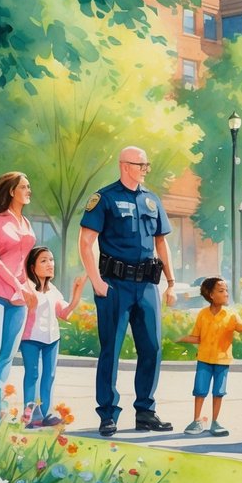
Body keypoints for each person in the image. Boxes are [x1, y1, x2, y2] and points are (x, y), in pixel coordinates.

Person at [79, 146, 177, 437]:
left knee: (153, 348)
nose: (146, 169)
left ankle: (145, 411)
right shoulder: (104, 198)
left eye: (147, 164)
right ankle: (108, 414)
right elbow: (86, 241)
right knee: (111, 349)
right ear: (125, 165)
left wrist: (170, 282)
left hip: (147, 285)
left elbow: (162, 243)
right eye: (141, 164)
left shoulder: (151, 199)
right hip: (115, 284)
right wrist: (96, 281)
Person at [0, 172, 38, 422]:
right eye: (24, 187)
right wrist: (17, 285)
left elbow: (24, 262)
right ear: (11, 191)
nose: (29, 190)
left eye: (29, 186)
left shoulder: (25, 222)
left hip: (19, 296)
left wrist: (29, 286)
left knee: (8, 355)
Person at [177, 277, 242, 437]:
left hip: (222, 361)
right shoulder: (203, 314)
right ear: (211, 295)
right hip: (203, 359)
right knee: (200, 391)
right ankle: (197, 420)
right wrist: (179, 338)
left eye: (226, 290)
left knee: (218, 392)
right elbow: (196, 337)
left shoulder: (231, 315)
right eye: (221, 291)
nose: (226, 294)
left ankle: (215, 422)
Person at [20, 247, 86, 428]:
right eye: (43, 261)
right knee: (33, 375)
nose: (50, 264)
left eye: (51, 260)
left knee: (48, 376)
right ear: (32, 267)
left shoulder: (53, 290)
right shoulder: (27, 288)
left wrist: (76, 295)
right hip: (31, 338)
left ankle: (45, 414)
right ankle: (30, 416)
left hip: (52, 339)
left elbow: (64, 313)